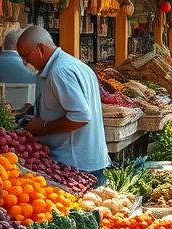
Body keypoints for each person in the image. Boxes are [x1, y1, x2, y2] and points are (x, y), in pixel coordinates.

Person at [16, 25, 110, 185]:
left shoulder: (59, 71)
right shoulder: (77, 65)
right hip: (89, 160)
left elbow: (80, 116)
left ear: (40, 48)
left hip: (75, 165)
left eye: (25, 56)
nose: (25, 62)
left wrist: (44, 127)